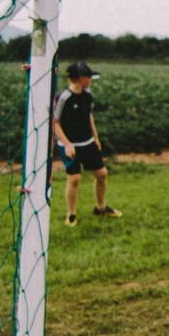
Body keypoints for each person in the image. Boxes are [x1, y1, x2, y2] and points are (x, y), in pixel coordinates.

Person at [53, 61, 122, 225]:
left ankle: (101, 208)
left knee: (102, 174)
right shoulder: (64, 97)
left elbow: (88, 115)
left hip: (87, 142)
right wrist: (67, 144)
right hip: (69, 145)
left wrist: (95, 137)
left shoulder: (87, 94)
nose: (91, 81)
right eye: (89, 77)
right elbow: (54, 123)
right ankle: (71, 214)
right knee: (75, 178)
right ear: (81, 79)